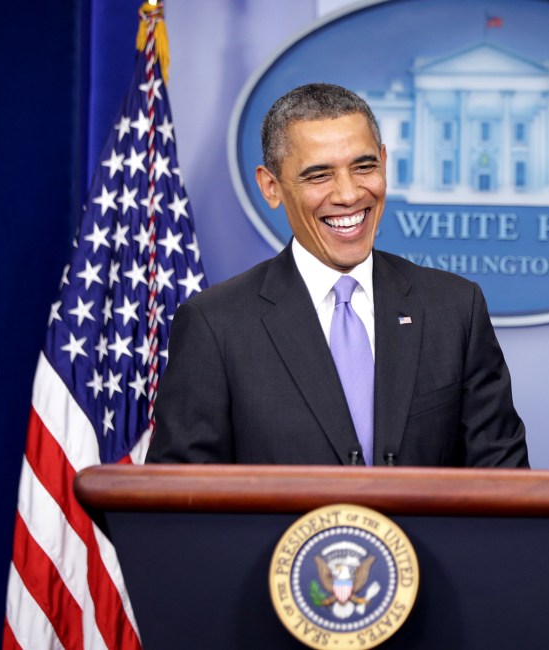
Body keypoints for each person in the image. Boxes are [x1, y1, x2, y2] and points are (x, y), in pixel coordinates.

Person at [146, 83, 528, 468]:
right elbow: (182, 507)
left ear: (384, 162)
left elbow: (506, 489)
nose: (348, 194)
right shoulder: (216, 325)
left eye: (364, 167)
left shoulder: (455, 309)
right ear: (271, 187)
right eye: (319, 175)